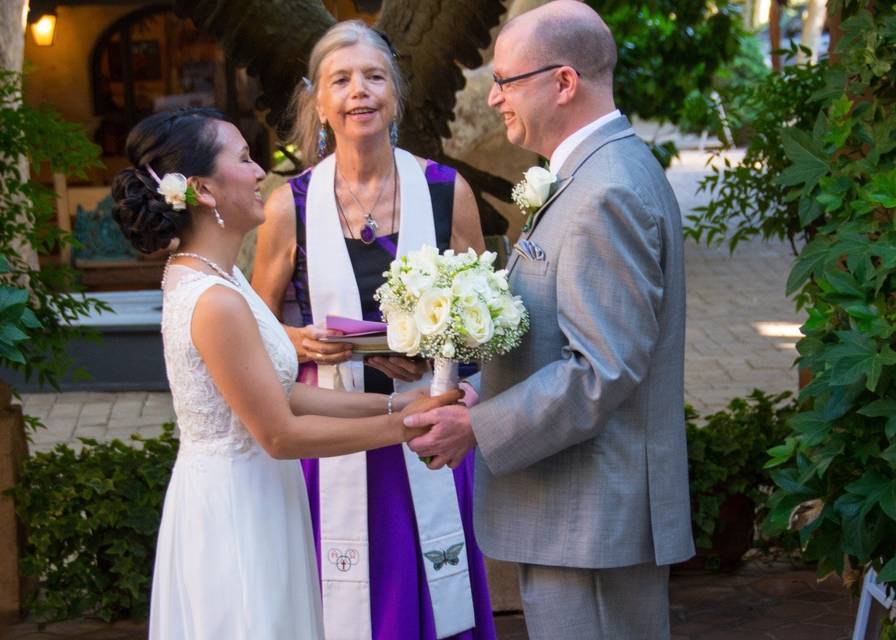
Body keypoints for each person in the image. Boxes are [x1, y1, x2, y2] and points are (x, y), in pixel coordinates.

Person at [404, 2, 695, 639]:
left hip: (592, 521)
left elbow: (600, 370)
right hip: (577, 515)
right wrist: (480, 386)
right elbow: (565, 336)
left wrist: (476, 426)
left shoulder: (606, 191)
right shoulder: (591, 174)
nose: (495, 97)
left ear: (563, 82)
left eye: (507, 80)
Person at [110, 107, 458, 639]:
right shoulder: (215, 301)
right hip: (236, 508)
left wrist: (399, 405)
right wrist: (406, 430)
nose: (259, 174)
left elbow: (286, 393)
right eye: (246, 160)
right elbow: (278, 432)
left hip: (261, 493)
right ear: (202, 190)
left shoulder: (220, 279)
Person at [251, 20, 496, 640]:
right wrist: (301, 340)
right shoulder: (291, 205)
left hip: (427, 423)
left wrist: (445, 352)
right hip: (334, 430)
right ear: (320, 100)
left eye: (374, 77)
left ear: (396, 93)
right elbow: (255, 329)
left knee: (435, 594)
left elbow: (490, 318)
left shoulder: (445, 192)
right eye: (342, 79)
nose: (359, 91)